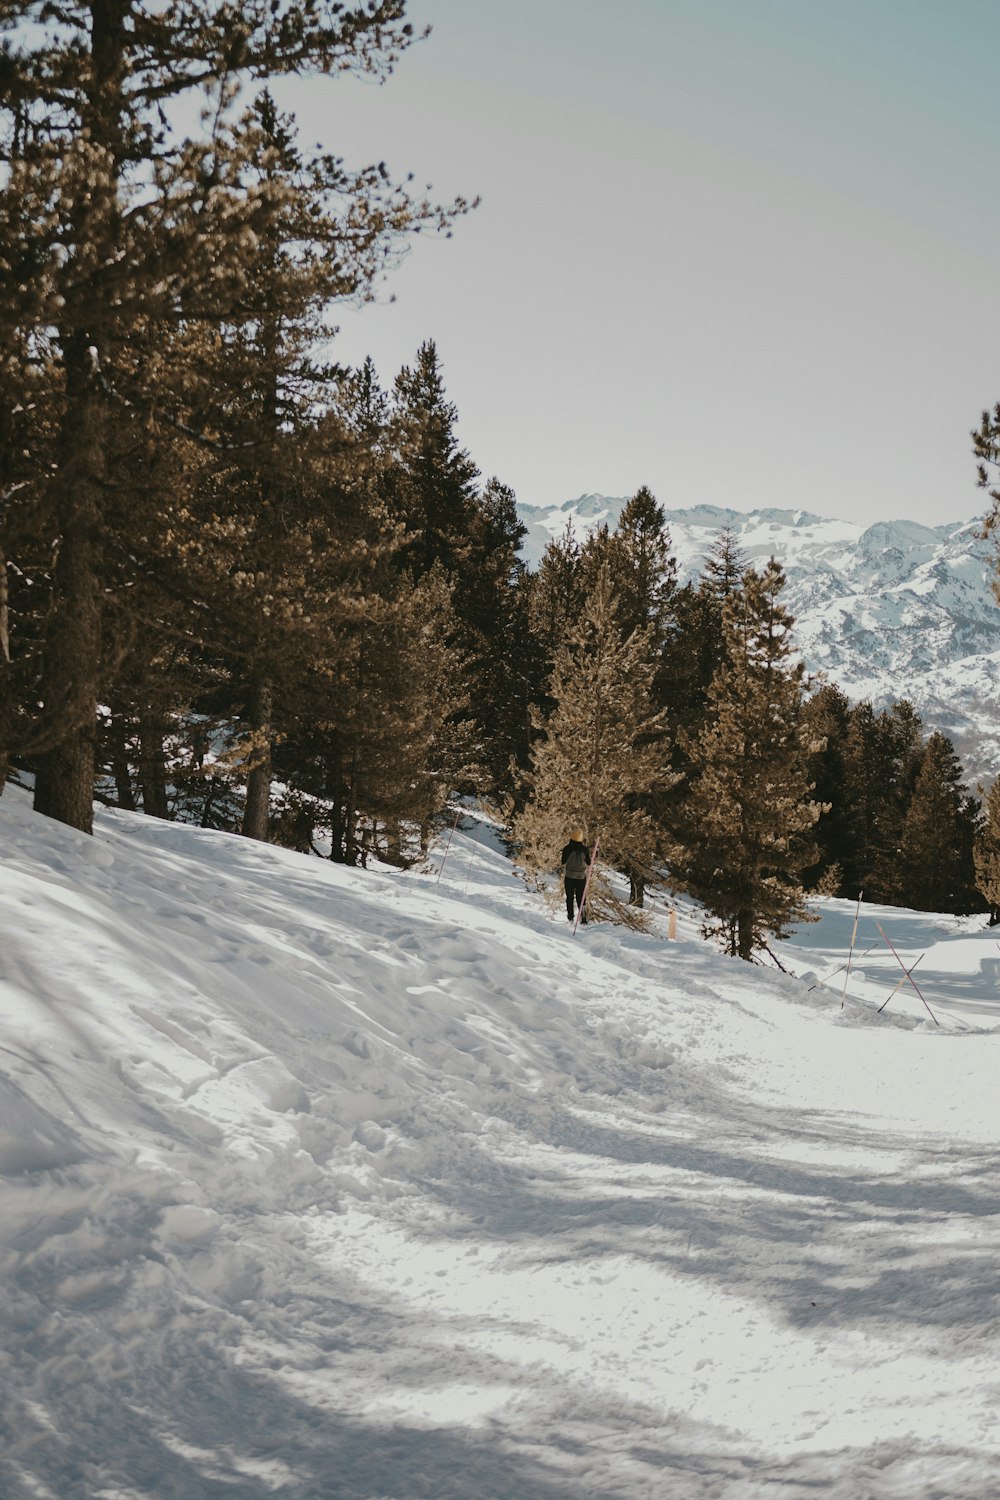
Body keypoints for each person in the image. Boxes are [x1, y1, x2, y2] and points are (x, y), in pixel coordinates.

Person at [561, 828, 591, 923]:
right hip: (581, 878)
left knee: (570, 897)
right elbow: (589, 862)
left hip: (569, 877)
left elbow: (563, 862)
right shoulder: (585, 849)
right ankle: (584, 918)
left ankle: (570, 917)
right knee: (581, 898)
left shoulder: (567, 848)